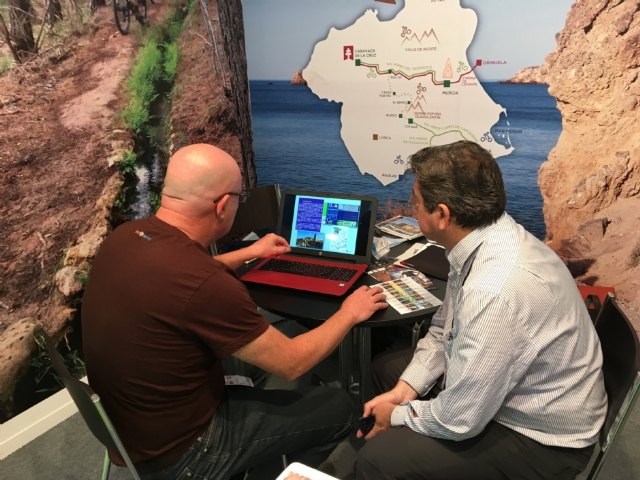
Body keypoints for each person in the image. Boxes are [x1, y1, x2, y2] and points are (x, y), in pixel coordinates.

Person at [81, 143, 388, 479]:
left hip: (127, 429)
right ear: (222, 205)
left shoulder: (127, 237)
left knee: (255, 355)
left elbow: (190, 276)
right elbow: (292, 363)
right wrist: (349, 312)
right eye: (239, 198)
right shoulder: (207, 284)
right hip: (185, 452)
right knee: (340, 407)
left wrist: (251, 252)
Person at [355, 140, 607, 480]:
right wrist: (404, 391)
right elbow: (444, 330)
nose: (412, 209)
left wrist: (396, 415)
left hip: (542, 439)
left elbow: (460, 419)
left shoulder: (493, 289)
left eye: (415, 203)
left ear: (442, 215)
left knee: (375, 461)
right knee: (387, 371)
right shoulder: (487, 237)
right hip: (520, 394)